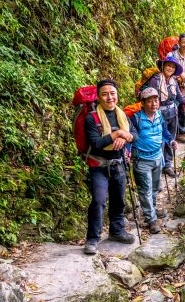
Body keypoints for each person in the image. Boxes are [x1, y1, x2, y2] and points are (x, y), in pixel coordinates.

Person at [83, 80, 139, 255]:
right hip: (98, 165)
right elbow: (96, 143)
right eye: (105, 94)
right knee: (99, 201)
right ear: (99, 97)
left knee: (119, 199)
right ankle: (92, 239)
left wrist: (125, 137)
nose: (110, 97)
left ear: (117, 95)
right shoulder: (91, 118)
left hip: (119, 164)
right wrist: (117, 134)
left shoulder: (123, 115)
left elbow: (135, 135)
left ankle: (116, 231)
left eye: (112, 93)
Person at [130, 87, 178, 234]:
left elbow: (164, 131)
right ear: (142, 103)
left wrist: (171, 140)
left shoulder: (158, 115)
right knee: (145, 190)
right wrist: (126, 151)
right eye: (149, 101)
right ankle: (151, 219)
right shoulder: (136, 118)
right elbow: (129, 136)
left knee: (155, 187)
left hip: (158, 157)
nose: (154, 104)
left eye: (156, 100)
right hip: (142, 159)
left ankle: (152, 209)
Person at [147, 56, 185, 177]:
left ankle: (168, 165)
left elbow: (179, 99)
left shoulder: (173, 81)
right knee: (159, 141)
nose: (170, 68)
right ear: (163, 66)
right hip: (158, 115)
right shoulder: (155, 80)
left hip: (172, 114)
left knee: (170, 139)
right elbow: (150, 99)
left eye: (172, 67)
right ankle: (157, 168)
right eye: (168, 65)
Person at [167, 33, 185, 141]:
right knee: (172, 110)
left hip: (184, 88)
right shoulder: (171, 55)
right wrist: (178, 77)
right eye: (183, 42)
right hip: (171, 88)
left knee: (183, 110)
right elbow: (167, 70)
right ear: (179, 43)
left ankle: (182, 132)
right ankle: (171, 134)